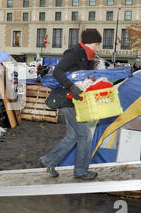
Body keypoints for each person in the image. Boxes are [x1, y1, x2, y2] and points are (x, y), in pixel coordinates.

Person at [40, 29, 102, 180]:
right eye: (97, 44)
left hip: (75, 101)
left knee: (74, 135)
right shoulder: (74, 54)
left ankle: (49, 161)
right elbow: (58, 72)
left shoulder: (87, 57)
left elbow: (80, 77)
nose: (98, 48)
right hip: (68, 100)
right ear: (90, 43)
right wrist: (71, 86)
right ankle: (81, 171)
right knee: (85, 135)